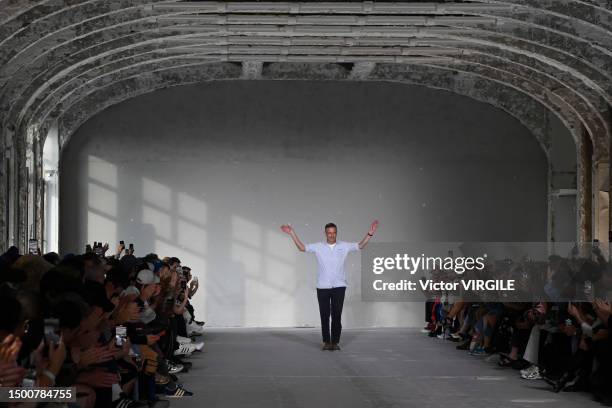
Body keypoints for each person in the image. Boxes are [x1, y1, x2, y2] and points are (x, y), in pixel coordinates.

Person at [281, 220, 379, 350]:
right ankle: (327, 342)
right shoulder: (318, 246)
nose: (331, 235)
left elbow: (360, 245)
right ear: (325, 233)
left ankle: (335, 342)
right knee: (325, 315)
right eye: (329, 233)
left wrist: (370, 233)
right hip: (323, 287)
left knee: (337, 315)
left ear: (336, 233)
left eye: (333, 233)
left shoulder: (344, 246)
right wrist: (292, 233)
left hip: (339, 286)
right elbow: (302, 247)